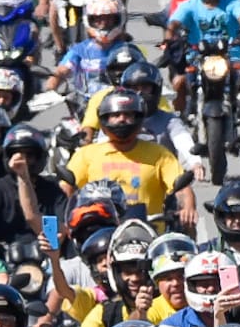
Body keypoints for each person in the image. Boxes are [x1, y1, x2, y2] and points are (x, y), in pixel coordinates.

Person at [63, 87, 194, 231]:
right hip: (99, 234)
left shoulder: (159, 154)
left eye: (127, 114)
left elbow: (181, 188)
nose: (122, 119)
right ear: (104, 119)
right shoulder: (86, 154)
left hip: (147, 235)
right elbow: (66, 188)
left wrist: (188, 207)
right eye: (116, 115)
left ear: (138, 118)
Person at [0, 124, 67, 247]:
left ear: (40, 157)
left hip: (46, 254)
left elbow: (56, 234)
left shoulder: (53, 190)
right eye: (17, 155)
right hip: (4, 260)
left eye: (29, 155)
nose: (23, 161)